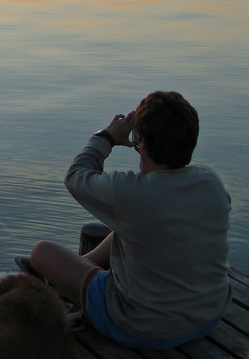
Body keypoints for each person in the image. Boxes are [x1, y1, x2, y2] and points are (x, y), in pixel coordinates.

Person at [21, 91, 231, 350]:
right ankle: (82, 265)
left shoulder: (132, 193)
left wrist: (106, 137)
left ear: (141, 145)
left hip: (139, 325)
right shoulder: (211, 183)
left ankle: (67, 277)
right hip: (207, 316)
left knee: (42, 252)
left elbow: (76, 176)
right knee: (129, 225)